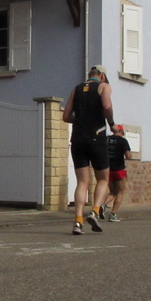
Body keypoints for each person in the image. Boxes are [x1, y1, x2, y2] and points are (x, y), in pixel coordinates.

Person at [63, 65, 119, 235]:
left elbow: (66, 116)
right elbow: (107, 106)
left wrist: (81, 120)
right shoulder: (104, 86)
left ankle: (78, 221)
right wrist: (111, 124)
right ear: (102, 76)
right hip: (96, 137)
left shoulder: (76, 89)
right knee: (103, 178)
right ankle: (94, 211)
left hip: (78, 138)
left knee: (82, 182)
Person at [100, 124, 132, 222]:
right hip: (119, 169)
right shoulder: (123, 141)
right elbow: (128, 156)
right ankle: (113, 214)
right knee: (120, 192)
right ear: (121, 131)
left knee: (112, 191)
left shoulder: (106, 139)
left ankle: (103, 205)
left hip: (108, 169)